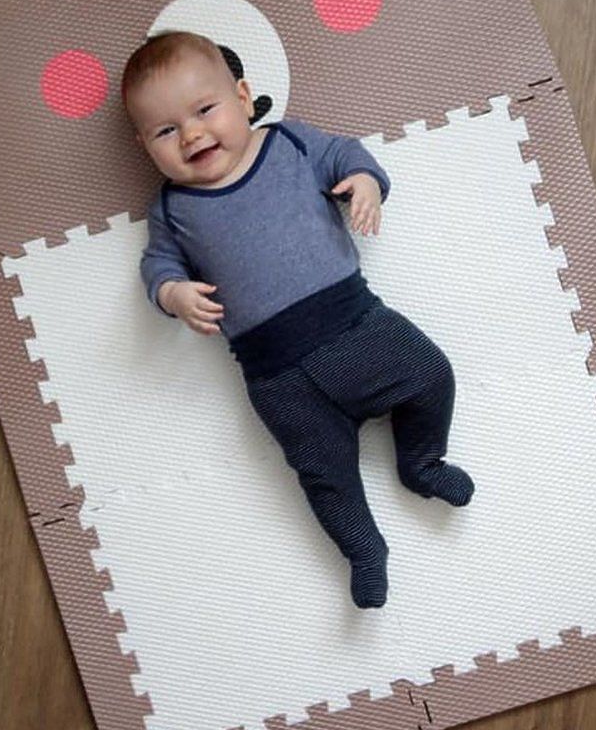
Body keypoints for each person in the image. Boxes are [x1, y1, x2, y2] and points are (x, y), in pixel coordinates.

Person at [123, 30, 475, 609]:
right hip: (277, 376)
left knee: (432, 374)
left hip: (357, 326)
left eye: (205, 110)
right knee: (324, 476)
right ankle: (364, 550)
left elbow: (344, 154)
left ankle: (421, 462)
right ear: (145, 146)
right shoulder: (170, 209)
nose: (191, 135)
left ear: (242, 98)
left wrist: (366, 183)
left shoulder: (288, 142)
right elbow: (157, 265)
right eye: (166, 131)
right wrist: (174, 293)